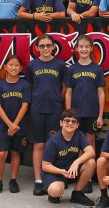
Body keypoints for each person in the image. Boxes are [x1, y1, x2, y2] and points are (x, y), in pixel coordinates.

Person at [26, 34, 68, 196]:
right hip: (37, 110)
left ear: (53, 47)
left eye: (48, 45)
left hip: (55, 110)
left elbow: (64, 87)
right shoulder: (32, 65)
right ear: (37, 48)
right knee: (38, 145)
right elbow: (29, 87)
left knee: (53, 145)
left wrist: (60, 102)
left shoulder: (60, 65)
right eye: (42, 46)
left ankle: (51, 177)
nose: (45, 49)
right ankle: (38, 180)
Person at [0, 55, 30, 194]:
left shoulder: (24, 85)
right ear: (5, 67)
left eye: (16, 65)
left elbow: (25, 106)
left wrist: (15, 125)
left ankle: (13, 180)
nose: (14, 68)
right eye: (11, 65)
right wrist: (9, 124)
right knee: (1, 153)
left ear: (21, 68)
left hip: (19, 125)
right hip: (3, 125)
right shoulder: (0, 85)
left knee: (15, 153)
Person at [41, 109, 96, 205]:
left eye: (73, 121)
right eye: (67, 120)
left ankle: (77, 194)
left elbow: (91, 152)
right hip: (55, 173)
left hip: (71, 170)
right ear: (61, 123)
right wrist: (61, 171)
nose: (70, 123)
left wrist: (76, 162)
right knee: (55, 191)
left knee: (91, 162)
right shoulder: (53, 141)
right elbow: (45, 166)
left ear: (77, 125)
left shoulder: (79, 134)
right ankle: (52, 191)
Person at [65, 34, 105, 151]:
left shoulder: (97, 69)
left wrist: (100, 115)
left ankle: (90, 168)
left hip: (92, 112)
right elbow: (68, 92)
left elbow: (101, 93)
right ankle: (77, 168)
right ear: (76, 48)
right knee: (76, 141)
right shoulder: (72, 69)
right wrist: (69, 113)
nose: (84, 49)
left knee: (90, 141)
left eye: (87, 46)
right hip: (76, 112)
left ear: (91, 48)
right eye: (81, 46)